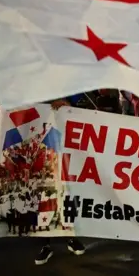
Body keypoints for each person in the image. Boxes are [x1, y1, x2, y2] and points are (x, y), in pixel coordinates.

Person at [32, 97, 87, 265]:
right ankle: (45, 244)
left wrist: (68, 106)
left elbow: (80, 117)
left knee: (67, 196)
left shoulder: (69, 92)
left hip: (65, 153)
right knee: (45, 199)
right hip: (43, 154)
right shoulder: (35, 92)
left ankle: (70, 237)